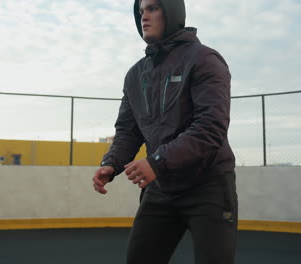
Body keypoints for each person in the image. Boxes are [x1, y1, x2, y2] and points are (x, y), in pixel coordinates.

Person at [92, 0, 237, 263]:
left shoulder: (205, 59)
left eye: (153, 8)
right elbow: (128, 131)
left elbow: (211, 127)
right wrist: (111, 164)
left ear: (172, 12)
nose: (144, 17)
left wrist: (157, 161)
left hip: (208, 184)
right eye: (140, 11)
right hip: (162, 186)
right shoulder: (136, 74)